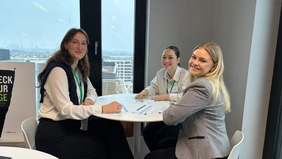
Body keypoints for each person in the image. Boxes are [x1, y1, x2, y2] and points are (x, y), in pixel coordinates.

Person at [35, 28, 133, 159]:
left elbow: (92, 91)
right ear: (66, 45)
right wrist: (102, 108)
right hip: (54, 135)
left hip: (70, 127)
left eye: (83, 43)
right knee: (101, 145)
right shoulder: (58, 71)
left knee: (112, 127)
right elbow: (66, 110)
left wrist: (89, 99)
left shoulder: (78, 70)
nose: (80, 47)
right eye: (75, 42)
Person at [145, 42, 231, 159]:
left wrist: (172, 107)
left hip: (208, 151)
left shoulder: (202, 86)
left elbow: (171, 118)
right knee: (160, 142)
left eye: (202, 60)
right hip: (216, 145)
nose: (195, 62)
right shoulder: (212, 83)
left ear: (214, 66)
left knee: (151, 157)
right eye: (194, 57)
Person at [136, 46, 189, 151]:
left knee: (160, 137)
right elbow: (153, 87)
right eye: (164, 57)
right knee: (147, 132)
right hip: (163, 114)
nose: (166, 61)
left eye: (170, 57)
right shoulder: (160, 73)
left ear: (178, 60)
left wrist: (167, 96)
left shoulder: (186, 75)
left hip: (179, 118)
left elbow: (186, 97)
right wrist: (145, 91)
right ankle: (155, 155)